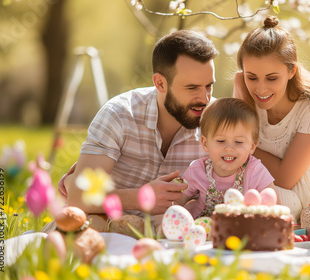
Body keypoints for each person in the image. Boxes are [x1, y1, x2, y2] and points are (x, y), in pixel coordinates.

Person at [58, 30, 219, 229]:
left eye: (209, 86)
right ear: (160, 83)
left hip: (172, 242)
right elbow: (77, 197)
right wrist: (140, 197)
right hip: (105, 232)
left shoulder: (217, 122)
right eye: (192, 88)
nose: (204, 98)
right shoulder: (119, 114)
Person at [233, 16, 310, 222]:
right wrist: (242, 94)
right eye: (251, 77)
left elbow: (284, 178)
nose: (261, 89)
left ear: (291, 70)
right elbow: (233, 143)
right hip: (263, 195)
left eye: (272, 78)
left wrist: (241, 146)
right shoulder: (245, 90)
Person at [176, 98, 278, 218]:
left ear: (252, 146)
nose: (229, 148)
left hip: (241, 233)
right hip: (203, 232)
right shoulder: (197, 170)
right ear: (205, 143)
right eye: (221, 141)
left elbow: (276, 207)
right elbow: (177, 202)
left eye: (239, 142)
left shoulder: (255, 171)